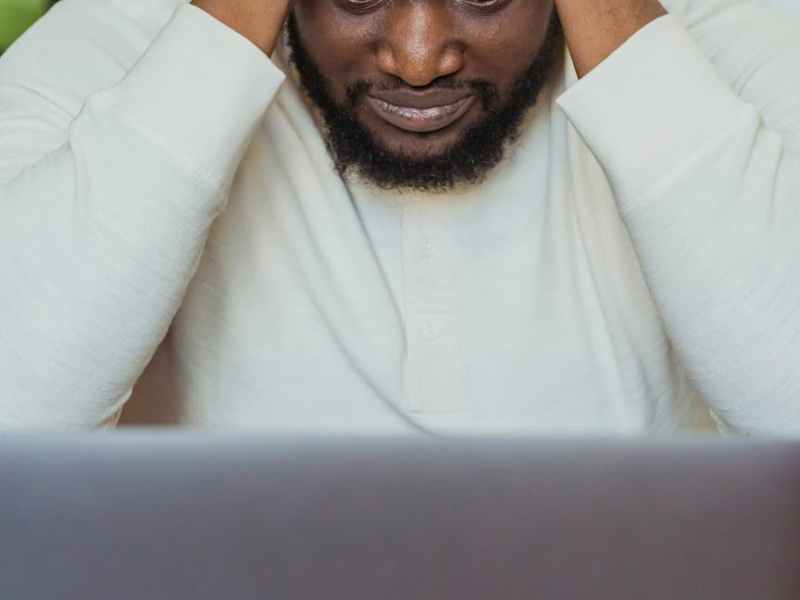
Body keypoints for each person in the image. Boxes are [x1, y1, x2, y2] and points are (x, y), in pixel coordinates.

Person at [0, 0, 797, 434]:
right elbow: (18, 422)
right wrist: (221, 41)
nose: (418, 59)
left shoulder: (716, 33)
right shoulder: (132, 32)